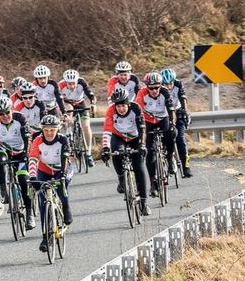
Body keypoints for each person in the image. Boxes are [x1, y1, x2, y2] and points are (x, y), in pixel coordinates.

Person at [0, 97, 35, 228]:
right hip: (4, 149)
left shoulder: (20, 118)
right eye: (1, 114)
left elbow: (27, 137)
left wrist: (26, 154)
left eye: (7, 112)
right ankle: (3, 190)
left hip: (21, 150)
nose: (5, 116)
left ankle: (29, 214)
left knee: (23, 180)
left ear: (11, 109)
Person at [100, 87, 150, 215]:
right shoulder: (111, 110)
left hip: (135, 137)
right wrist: (105, 148)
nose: (121, 109)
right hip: (119, 137)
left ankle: (144, 203)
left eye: (123, 106)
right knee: (116, 153)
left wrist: (142, 144)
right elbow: (107, 131)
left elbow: (143, 129)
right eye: (118, 106)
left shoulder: (136, 108)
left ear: (127, 103)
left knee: (139, 167)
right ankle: (122, 178)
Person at [29, 114, 72, 252]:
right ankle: (45, 237)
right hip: (44, 170)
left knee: (61, 191)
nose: (49, 133)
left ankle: (65, 207)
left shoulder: (63, 140)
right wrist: (33, 176)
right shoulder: (37, 140)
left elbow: (65, 159)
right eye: (46, 130)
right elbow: (33, 159)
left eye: (52, 130)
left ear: (57, 129)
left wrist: (64, 176)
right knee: (42, 204)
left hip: (62, 169)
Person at [136, 72, 177, 197]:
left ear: (160, 86)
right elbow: (138, 113)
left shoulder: (165, 92)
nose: (154, 90)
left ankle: (170, 158)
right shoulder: (142, 93)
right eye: (151, 88)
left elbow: (171, 111)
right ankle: (153, 183)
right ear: (147, 87)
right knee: (149, 152)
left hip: (162, 119)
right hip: (148, 121)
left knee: (171, 136)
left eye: (157, 87)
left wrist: (172, 124)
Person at [58, 69, 97, 167]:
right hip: (68, 103)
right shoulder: (60, 85)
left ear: (77, 81)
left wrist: (93, 104)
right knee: (69, 112)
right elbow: (58, 101)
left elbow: (91, 95)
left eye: (73, 84)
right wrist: (64, 114)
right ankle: (69, 132)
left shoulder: (81, 82)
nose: (71, 86)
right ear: (65, 82)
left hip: (80, 103)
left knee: (86, 127)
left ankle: (88, 153)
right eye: (69, 84)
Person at [161, 68, 192, 178]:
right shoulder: (158, 88)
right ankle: (167, 159)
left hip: (177, 112)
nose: (168, 87)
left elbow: (183, 98)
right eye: (165, 84)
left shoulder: (178, 84)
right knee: (165, 138)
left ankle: (186, 166)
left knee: (180, 139)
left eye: (170, 84)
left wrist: (185, 111)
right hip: (165, 114)